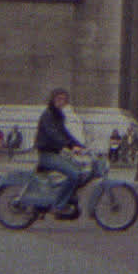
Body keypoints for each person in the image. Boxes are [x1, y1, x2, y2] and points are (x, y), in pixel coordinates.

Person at [35, 88, 90, 218]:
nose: (61, 102)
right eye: (59, 99)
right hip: (47, 155)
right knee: (74, 174)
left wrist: (79, 145)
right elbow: (53, 134)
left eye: (64, 100)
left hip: (55, 154)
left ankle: (68, 198)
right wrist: (68, 146)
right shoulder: (48, 115)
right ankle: (59, 205)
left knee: (79, 170)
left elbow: (65, 133)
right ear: (53, 99)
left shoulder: (58, 115)